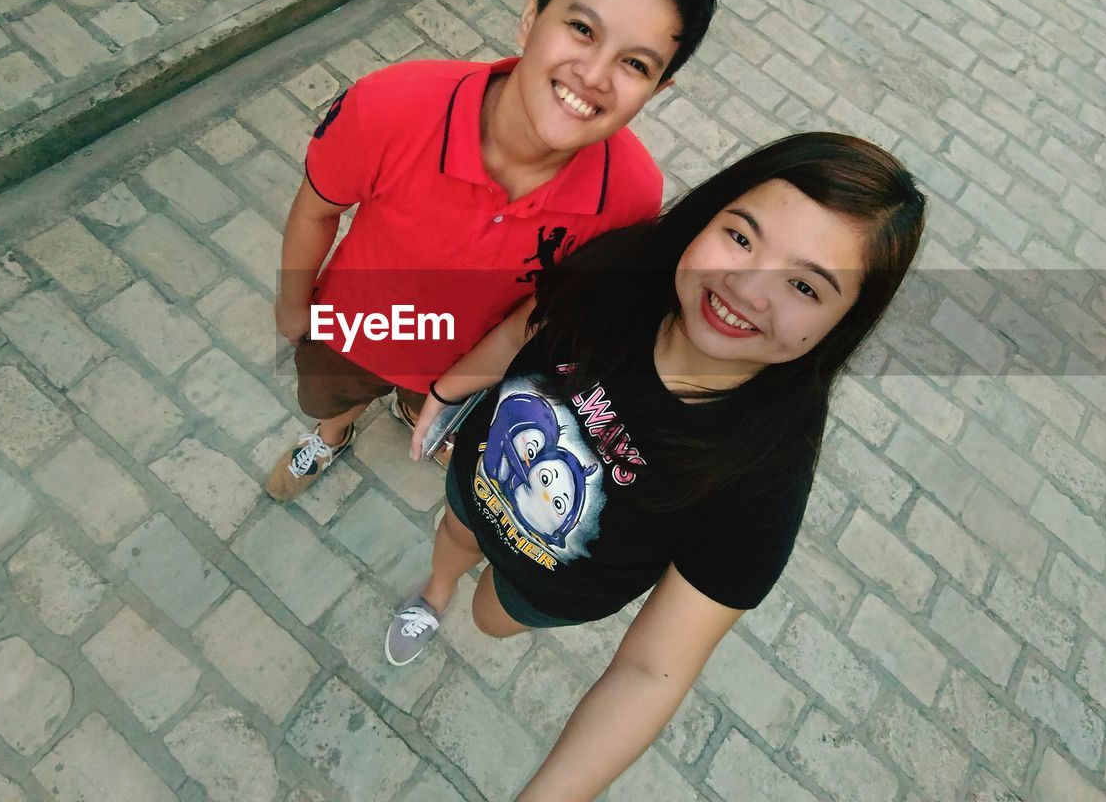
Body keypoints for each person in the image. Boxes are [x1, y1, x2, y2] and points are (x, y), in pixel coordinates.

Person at [387, 133, 927, 799]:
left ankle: (468, 599)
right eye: (741, 237)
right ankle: (433, 592)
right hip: (480, 481)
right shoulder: (622, 274)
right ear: (708, 213)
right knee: (456, 534)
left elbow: (652, 670)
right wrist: (448, 390)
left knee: (491, 613)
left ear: (842, 324)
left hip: (553, 587)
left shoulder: (764, 473)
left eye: (803, 286)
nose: (744, 289)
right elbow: (520, 331)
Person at [267, 0, 717, 500]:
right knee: (333, 394)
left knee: (430, 401)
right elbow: (318, 208)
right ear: (531, 17)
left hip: (467, 357)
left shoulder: (630, 195)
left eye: (635, 64)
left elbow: (547, 307)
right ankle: (332, 433)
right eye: (582, 29)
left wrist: (457, 385)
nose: (593, 75)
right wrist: (294, 306)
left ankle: (422, 413)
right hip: (352, 328)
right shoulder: (391, 107)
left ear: (658, 90)